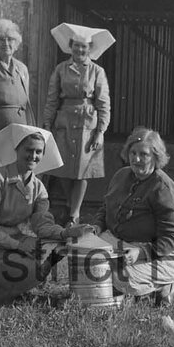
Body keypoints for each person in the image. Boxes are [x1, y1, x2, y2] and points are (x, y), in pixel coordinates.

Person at [0, 124, 92, 305]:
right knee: (27, 268)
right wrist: (18, 245)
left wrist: (66, 233)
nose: (33, 156)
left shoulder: (38, 188)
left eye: (38, 152)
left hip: (14, 242)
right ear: (16, 149)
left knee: (41, 253)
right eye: (29, 150)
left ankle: (11, 290)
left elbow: (42, 223)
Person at [84, 126, 174, 306]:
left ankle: (164, 287)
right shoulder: (121, 175)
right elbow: (106, 207)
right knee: (88, 261)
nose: (136, 159)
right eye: (133, 152)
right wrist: (97, 227)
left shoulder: (163, 189)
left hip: (162, 254)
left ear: (156, 156)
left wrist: (142, 252)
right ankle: (140, 292)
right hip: (119, 242)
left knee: (117, 275)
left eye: (144, 154)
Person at [41, 22, 114, 227]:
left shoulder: (97, 71)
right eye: (76, 46)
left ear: (90, 49)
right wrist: (47, 124)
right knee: (63, 169)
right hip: (63, 122)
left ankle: (74, 213)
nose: (80, 50)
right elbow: (52, 99)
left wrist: (100, 131)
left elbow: (103, 103)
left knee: (83, 171)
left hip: (87, 124)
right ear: (70, 46)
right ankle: (69, 203)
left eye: (84, 47)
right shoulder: (60, 69)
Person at [0, 19, 34, 131]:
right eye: (1, 39)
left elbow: (26, 104)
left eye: (10, 39)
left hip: (21, 131)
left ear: (16, 43)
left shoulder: (22, 69)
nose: (5, 43)